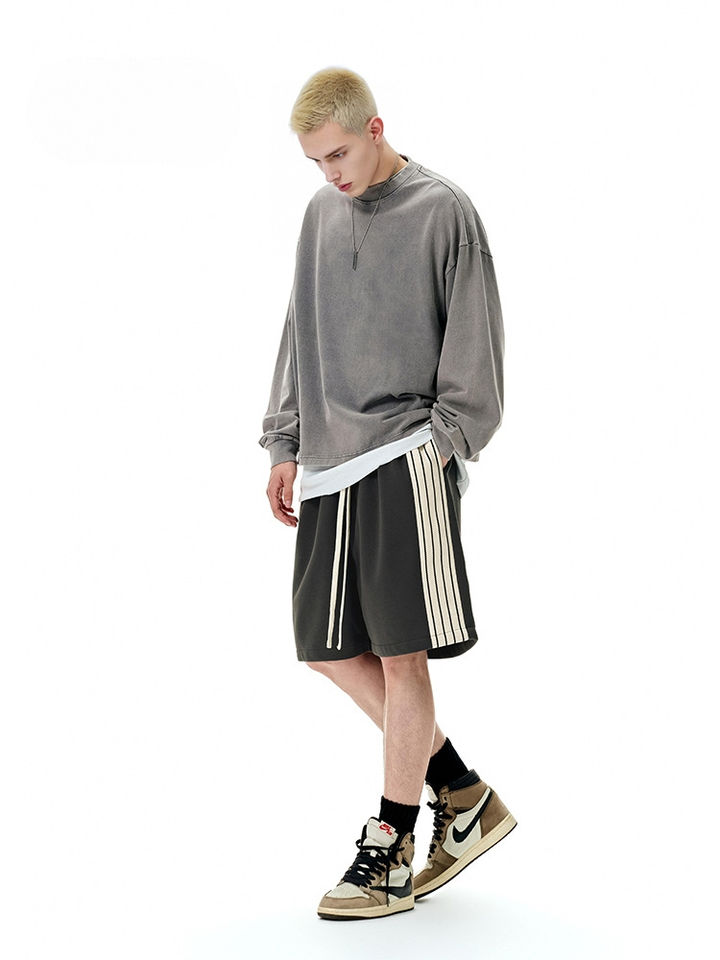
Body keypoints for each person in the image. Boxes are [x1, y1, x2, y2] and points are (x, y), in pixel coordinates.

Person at [258, 66, 516, 921]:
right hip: (330, 465)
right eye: (315, 161)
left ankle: (392, 847)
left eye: (338, 153)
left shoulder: (443, 211)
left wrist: (440, 447)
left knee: (403, 655)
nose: (329, 173)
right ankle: (462, 794)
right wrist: (286, 440)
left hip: (406, 456)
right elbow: (299, 329)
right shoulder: (319, 215)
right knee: (327, 648)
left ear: (375, 128)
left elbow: (476, 349)